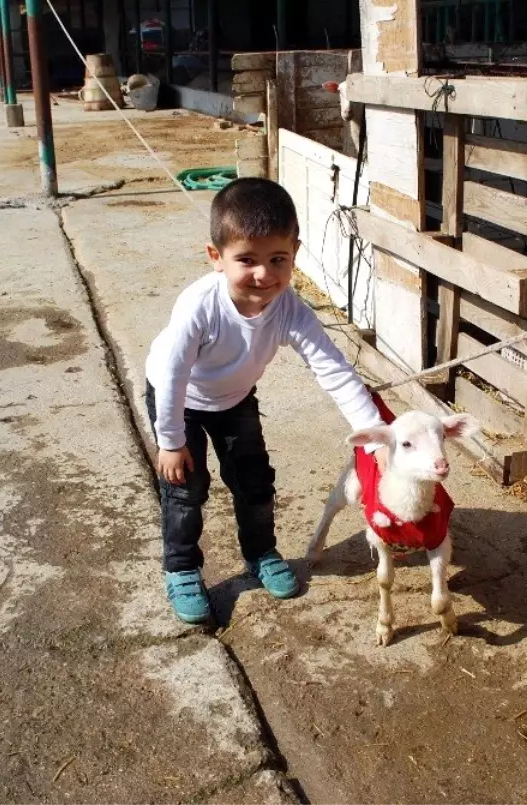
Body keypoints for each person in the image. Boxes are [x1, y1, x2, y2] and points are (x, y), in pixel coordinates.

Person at [144, 177, 387, 624]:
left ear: (295, 250)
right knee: (186, 490)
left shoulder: (290, 308)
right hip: (179, 400)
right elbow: (173, 374)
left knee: (254, 482)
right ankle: (181, 568)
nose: (264, 274)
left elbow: (332, 368)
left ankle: (261, 552)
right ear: (216, 257)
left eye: (278, 259)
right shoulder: (199, 306)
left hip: (235, 400)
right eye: (247, 260)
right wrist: (171, 440)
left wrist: (376, 438)